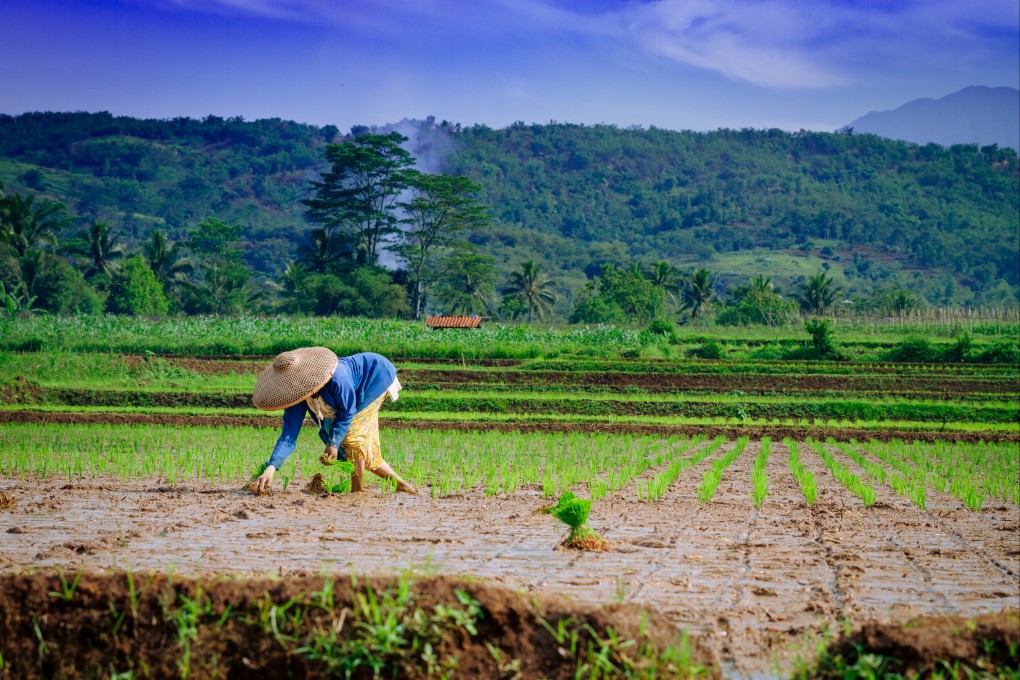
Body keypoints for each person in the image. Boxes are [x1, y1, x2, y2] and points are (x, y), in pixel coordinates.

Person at [249, 347, 417, 495]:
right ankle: (400, 485)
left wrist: (333, 443)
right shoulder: (295, 396)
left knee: (352, 439)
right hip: (347, 398)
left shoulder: (337, 379)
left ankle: (357, 491)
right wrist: (271, 468)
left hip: (375, 377)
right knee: (351, 445)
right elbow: (288, 435)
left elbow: (347, 411)